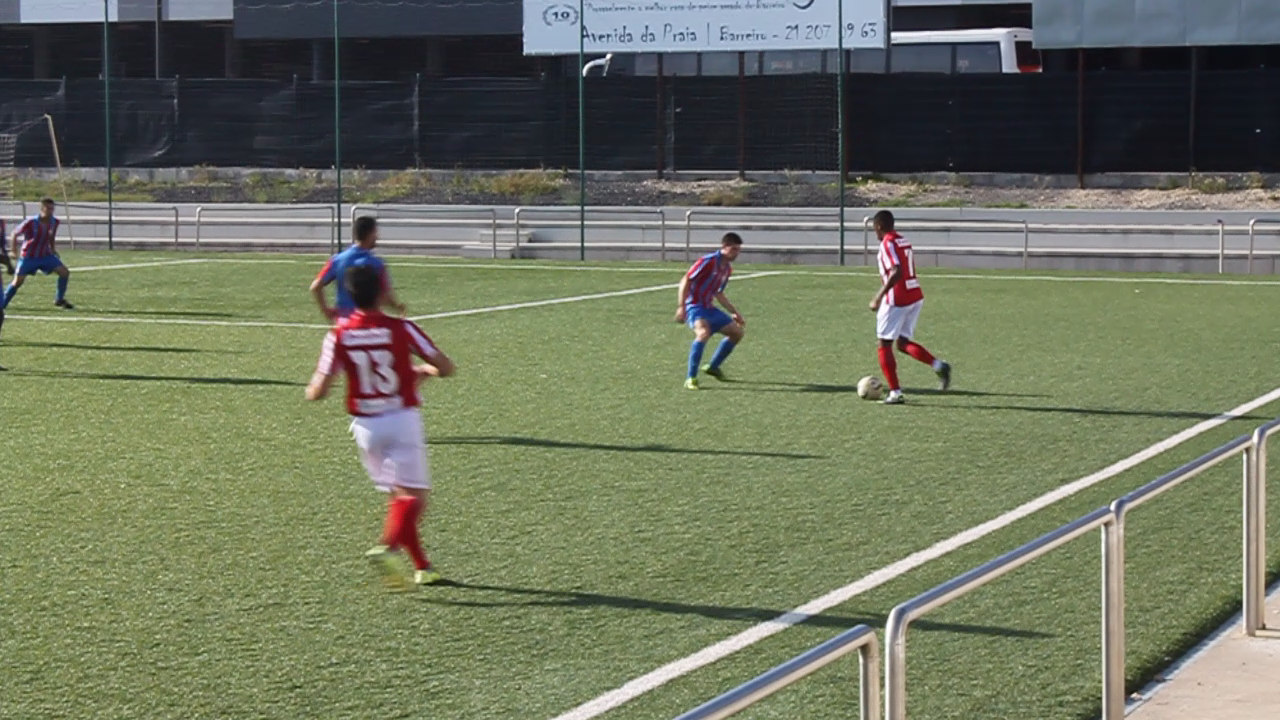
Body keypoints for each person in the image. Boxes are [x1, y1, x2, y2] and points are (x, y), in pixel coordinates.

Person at [306, 265, 455, 590]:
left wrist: (312, 390)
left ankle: (423, 567)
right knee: (415, 497)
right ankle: (388, 546)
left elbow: (318, 391)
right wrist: (425, 371)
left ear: (349, 296)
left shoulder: (338, 334)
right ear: (381, 293)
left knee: (398, 498)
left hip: (365, 428)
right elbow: (445, 366)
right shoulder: (402, 329)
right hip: (401, 420)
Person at [868, 210, 951, 404]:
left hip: (898, 298)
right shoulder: (902, 240)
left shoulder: (887, 243)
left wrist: (878, 297)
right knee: (902, 343)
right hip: (914, 295)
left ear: (879, 227)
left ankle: (895, 392)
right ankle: (939, 366)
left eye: (875, 229)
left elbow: (896, 270)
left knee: (884, 344)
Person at [676, 232, 745, 390]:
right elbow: (686, 279)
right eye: (733, 249)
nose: (736, 253)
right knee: (703, 333)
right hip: (694, 306)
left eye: (738, 250)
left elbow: (718, 293)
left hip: (709, 307)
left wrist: (735, 312)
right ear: (724, 247)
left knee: (737, 333)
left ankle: (713, 367)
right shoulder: (708, 261)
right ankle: (691, 378)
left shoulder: (727, 269)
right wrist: (681, 306)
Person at [310, 215, 406, 321]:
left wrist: (326, 311)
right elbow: (384, 296)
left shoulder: (337, 260)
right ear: (370, 234)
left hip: (343, 321)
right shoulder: (377, 264)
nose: (377, 237)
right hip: (367, 322)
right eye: (375, 233)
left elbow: (316, 286)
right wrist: (397, 307)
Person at [3, 198, 73, 310]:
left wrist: (53, 249)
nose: (50, 211)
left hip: (45, 256)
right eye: (48, 208)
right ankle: (2, 304)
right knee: (17, 282)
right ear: (42, 209)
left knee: (64, 272)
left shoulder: (54, 222)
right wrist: (13, 251)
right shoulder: (31, 222)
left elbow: (51, 236)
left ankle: (59, 299)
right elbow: (14, 233)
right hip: (28, 257)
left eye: (52, 209)